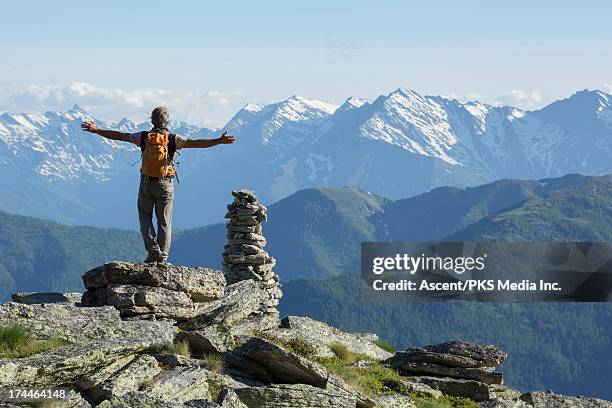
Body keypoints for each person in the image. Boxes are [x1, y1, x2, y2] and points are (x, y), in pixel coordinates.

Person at [81, 106, 235, 264]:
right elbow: (196, 143)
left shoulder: (143, 137)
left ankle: (153, 250)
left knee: (144, 216)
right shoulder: (173, 139)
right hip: (165, 185)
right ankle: (163, 257)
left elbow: (119, 136)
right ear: (167, 121)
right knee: (164, 221)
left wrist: (96, 130)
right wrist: (219, 141)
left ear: (151, 120)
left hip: (147, 183)